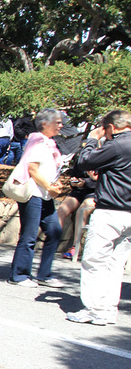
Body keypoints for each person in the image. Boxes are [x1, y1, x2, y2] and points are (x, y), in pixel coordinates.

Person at [65, 109, 131, 325]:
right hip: (128, 214)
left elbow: (84, 162)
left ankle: (94, 309)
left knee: (94, 260)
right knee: (115, 263)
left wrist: (93, 140)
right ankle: (108, 309)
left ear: (111, 127)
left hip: (110, 211)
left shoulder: (118, 144)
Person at [7, 109, 65, 287]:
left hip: (45, 195)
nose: (60, 125)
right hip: (34, 194)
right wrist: (49, 187)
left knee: (55, 231)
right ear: (45, 124)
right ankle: (19, 275)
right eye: (57, 122)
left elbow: (51, 169)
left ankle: (44, 274)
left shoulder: (50, 144)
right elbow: (33, 170)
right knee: (29, 235)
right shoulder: (38, 142)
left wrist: (56, 185)